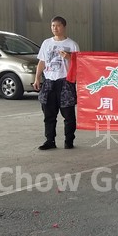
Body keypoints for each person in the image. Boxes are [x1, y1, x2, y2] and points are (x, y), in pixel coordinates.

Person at [33, 16, 79, 150]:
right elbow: (42, 62)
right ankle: (50, 140)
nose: (55, 28)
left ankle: (69, 140)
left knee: (68, 115)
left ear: (64, 27)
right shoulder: (46, 43)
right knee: (49, 114)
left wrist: (69, 57)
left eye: (58, 26)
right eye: (53, 26)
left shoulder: (72, 44)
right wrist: (37, 78)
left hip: (65, 82)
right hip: (49, 82)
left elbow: (79, 64)